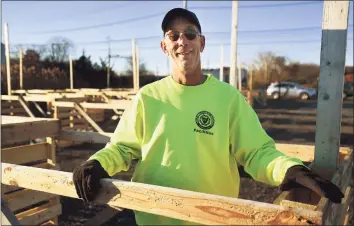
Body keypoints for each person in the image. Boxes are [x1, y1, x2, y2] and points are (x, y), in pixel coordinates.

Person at [73, 8, 344, 225]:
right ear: (164, 46)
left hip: (214, 217)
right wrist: (97, 163)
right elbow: (122, 147)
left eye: (190, 34)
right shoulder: (148, 97)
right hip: (153, 217)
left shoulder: (228, 98)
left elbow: (256, 152)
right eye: (173, 35)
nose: (182, 41)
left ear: (201, 43)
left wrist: (290, 169)